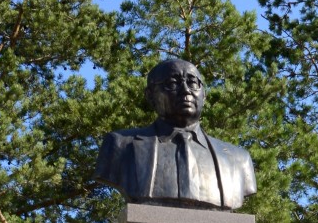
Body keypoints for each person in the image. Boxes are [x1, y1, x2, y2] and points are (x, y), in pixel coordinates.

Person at [95, 59, 256, 211]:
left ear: (204, 94)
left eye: (193, 83)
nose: (185, 90)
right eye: (172, 83)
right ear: (150, 95)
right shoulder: (120, 144)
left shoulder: (238, 159)